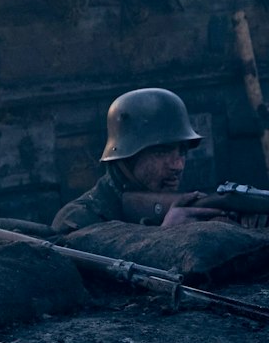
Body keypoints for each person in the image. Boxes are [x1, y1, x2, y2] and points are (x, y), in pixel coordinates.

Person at [53, 88, 223, 234]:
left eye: (182, 152)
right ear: (127, 158)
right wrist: (168, 235)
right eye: (161, 153)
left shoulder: (170, 206)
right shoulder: (78, 219)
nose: (177, 165)